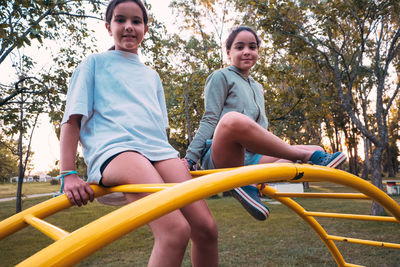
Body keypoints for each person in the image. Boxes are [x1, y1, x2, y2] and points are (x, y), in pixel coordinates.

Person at [59, 1, 218, 266]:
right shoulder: (94, 63)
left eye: (136, 21)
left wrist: (174, 163)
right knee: (175, 231)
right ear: (108, 26)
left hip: (157, 151)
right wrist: (68, 173)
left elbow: (157, 128)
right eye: (121, 20)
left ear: (145, 27)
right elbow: (71, 120)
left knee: (206, 228)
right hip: (118, 151)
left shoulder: (152, 76)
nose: (129, 27)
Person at [184, 26, 346, 221]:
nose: (246, 51)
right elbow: (210, 118)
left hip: (251, 159)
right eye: (239, 47)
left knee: (317, 147)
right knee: (232, 120)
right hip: (223, 156)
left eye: (252, 47)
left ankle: (250, 184)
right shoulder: (221, 77)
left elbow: (260, 132)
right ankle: (302, 157)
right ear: (228, 52)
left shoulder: (257, 87)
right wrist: (191, 158)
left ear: (257, 52)